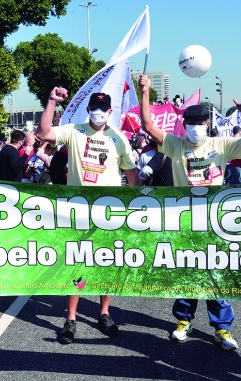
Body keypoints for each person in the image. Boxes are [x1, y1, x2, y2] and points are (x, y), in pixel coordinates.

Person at [139, 73, 241, 350]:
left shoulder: (220, 145)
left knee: (216, 275)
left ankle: (222, 328)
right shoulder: (175, 144)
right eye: (191, 123)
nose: (196, 127)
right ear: (185, 125)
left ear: (208, 124)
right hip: (185, 221)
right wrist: (144, 91)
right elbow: (147, 124)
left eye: (200, 123)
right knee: (188, 273)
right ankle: (184, 321)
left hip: (215, 222)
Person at [36, 88, 141, 344]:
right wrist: (51, 101)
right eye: (94, 107)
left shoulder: (119, 139)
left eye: (103, 109)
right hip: (79, 214)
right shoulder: (74, 131)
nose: (98, 112)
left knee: (107, 264)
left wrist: (142, 201)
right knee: (77, 264)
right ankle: (71, 318)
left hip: (109, 214)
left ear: (110, 112)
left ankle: (104, 313)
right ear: (88, 109)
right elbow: (43, 133)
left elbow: (132, 175)